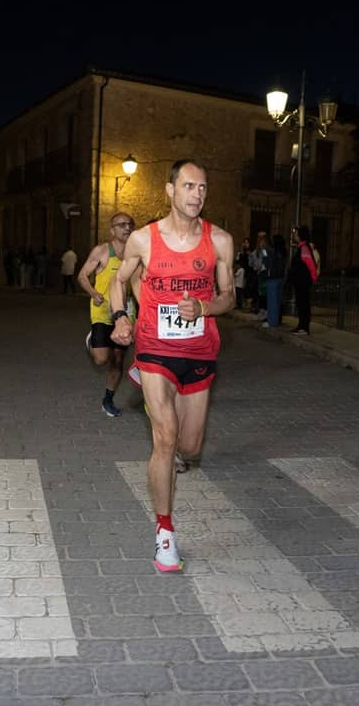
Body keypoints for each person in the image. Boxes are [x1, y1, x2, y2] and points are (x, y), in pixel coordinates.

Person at [109, 159, 235, 572]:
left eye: (202, 187)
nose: (196, 194)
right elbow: (118, 280)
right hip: (154, 348)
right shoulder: (143, 239)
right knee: (165, 438)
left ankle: (172, 429)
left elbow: (229, 296)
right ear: (170, 190)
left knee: (189, 447)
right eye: (188, 186)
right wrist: (122, 318)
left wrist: (203, 307)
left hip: (199, 351)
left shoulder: (220, 241)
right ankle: (165, 533)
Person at [78, 212, 137, 417]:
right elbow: (82, 275)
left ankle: (108, 400)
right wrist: (93, 293)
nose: (127, 228)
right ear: (112, 230)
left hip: (125, 312)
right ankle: (92, 342)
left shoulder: (135, 254)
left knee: (118, 359)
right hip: (102, 310)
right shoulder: (102, 251)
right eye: (121, 225)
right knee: (101, 359)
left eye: (130, 224)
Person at [288, 225, 320, 335]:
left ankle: (304, 328)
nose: (294, 236)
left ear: (301, 236)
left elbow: (311, 265)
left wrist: (314, 278)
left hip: (303, 281)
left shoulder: (304, 248)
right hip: (300, 281)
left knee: (303, 304)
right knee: (301, 303)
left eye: (296, 234)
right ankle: (301, 326)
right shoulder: (301, 247)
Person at [263, 234, 288, 328]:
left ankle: (272, 322)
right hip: (280, 278)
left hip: (272, 278)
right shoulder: (283, 251)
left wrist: (263, 251)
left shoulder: (270, 251)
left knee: (271, 302)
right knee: (277, 301)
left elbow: (266, 263)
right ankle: (276, 320)